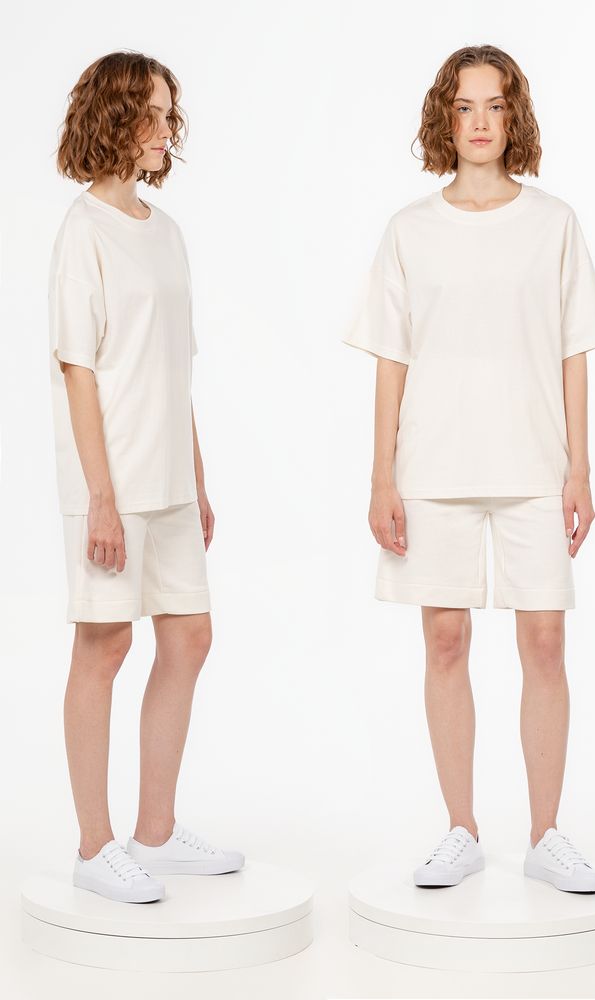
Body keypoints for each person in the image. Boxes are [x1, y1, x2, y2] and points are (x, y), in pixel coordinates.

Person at [346, 45, 595, 893]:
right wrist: (382, 477)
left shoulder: (554, 223)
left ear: (514, 116)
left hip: (535, 462)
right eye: (464, 107)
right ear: (445, 118)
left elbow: (575, 351)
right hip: (433, 465)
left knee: (545, 640)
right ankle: (460, 828)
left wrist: (579, 469)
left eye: (495, 106)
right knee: (445, 639)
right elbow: (390, 358)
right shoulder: (409, 230)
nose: (479, 123)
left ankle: (546, 834)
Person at [51, 52, 243, 903]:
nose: (167, 130)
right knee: (105, 646)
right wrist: (100, 496)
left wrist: (196, 478)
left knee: (189, 636)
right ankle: (95, 847)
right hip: (112, 480)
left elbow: (175, 366)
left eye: (171, 114)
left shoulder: (165, 232)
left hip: (169, 479)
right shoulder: (83, 232)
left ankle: (154, 832)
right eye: (152, 115)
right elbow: (78, 370)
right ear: (114, 118)